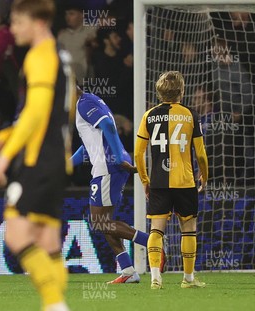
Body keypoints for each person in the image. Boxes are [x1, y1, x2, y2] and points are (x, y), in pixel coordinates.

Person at [0, 1, 73, 310]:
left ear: (38, 21)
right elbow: (51, 114)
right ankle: (55, 304)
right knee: (48, 242)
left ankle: (54, 304)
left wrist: (6, 155)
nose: (13, 29)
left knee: (16, 234)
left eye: (18, 22)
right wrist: (3, 136)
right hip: (56, 159)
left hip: (38, 161)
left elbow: (36, 112)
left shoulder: (40, 55)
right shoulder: (60, 56)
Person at [71, 86, 162, 284]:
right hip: (109, 165)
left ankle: (153, 243)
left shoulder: (85, 103)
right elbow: (89, 145)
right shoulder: (87, 101)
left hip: (109, 166)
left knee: (99, 222)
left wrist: (117, 158)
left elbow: (109, 126)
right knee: (106, 222)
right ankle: (129, 270)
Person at [135, 71, 209, 289]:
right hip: (185, 181)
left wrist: (145, 180)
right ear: (181, 91)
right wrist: (205, 174)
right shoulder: (190, 115)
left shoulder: (148, 115)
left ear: (159, 92)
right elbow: (201, 154)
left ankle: (155, 277)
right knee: (188, 228)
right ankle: (188, 278)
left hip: (158, 181)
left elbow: (138, 154)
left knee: (156, 230)